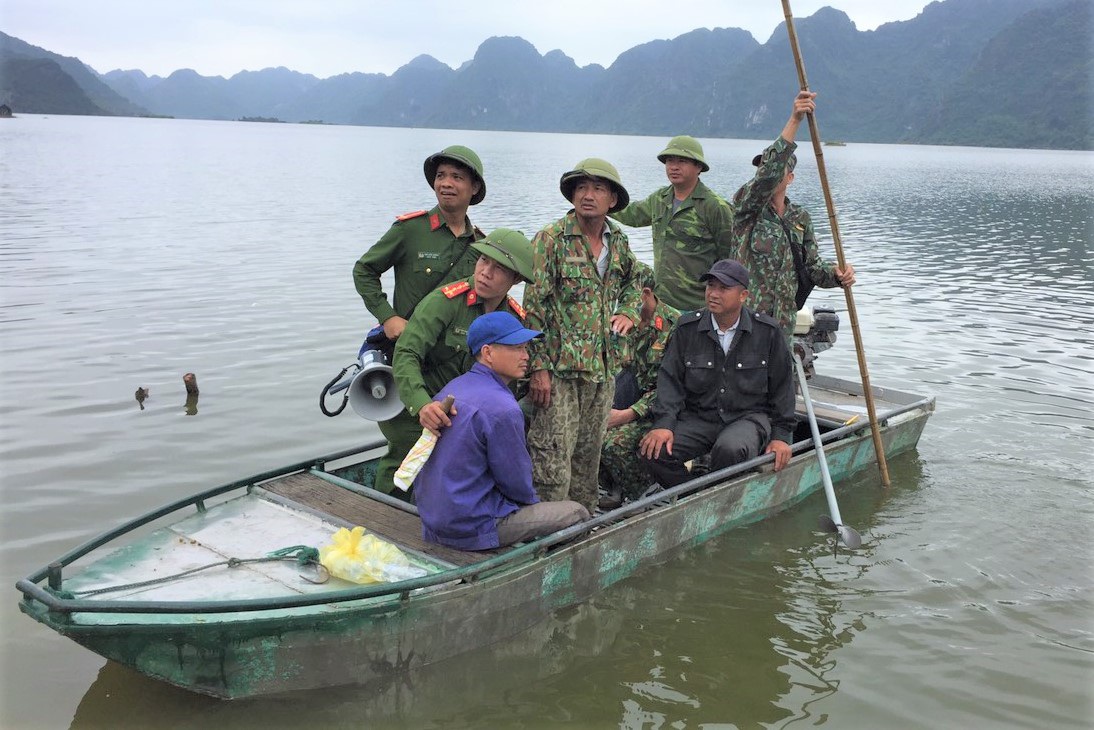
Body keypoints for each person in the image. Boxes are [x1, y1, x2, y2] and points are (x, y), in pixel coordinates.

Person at [523, 158, 644, 514]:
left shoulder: (617, 240)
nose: (588, 195)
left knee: (588, 456)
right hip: (559, 372)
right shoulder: (551, 238)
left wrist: (629, 311)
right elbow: (533, 307)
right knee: (552, 456)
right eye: (581, 187)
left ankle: (581, 522)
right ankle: (547, 528)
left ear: (612, 199)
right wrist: (539, 368)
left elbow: (637, 281)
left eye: (598, 189)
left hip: (602, 371)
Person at [414, 312, 590, 550]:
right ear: (488, 353)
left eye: (526, 348)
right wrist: (533, 506)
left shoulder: (453, 387)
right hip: (470, 527)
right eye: (516, 348)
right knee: (577, 513)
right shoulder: (503, 409)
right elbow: (516, 483)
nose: (526, 356)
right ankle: (542, 570)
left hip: (434, 519)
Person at [378, 228, 534, 495]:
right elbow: (406, 354)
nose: (485, 272)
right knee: (404, 469)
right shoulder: (445, 302)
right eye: (483, 260)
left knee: (455, 478)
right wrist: (422, 405)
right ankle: (375, 515)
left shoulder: (512, 318)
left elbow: (505, 381)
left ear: (516, 278)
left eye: (499, 268)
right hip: (415, 404)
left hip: (463, 415)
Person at [639, 260, 796, 488]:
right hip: (699, 418)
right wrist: (664, 423)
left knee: (730, 450)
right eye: (711, 286)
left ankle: (716, 499)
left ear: (743, 296)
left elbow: (783, 388)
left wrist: (780, 438)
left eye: (723, 288)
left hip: (747, 418)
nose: (713, 294)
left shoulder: (767, 332)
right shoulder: (687, 329)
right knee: (652, 451)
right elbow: (670, 381)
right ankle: (693, 497)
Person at [730, 93, 855, 340]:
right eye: (763, 168)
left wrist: (838, 275)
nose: (769, 173)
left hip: (783, 321)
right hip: (746, 319)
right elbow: (766, 177)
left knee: (779, 376)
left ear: (790, 178)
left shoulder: (800, 217)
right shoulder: (747, 207)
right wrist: (795, 119)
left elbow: (813, 268)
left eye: (779, 169)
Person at [352, 144, 488, 343]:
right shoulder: (409, 230)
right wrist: (388, 317)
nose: (446, 183)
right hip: (411, 349)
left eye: (456, 177)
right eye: (441, 175)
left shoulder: (481, 245)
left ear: (474, 187)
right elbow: (364, 270)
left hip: (456, 356)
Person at [611, 135, 735, 312]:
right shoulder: (660, 199)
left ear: (698, 166)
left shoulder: (715, 207)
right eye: (669, 161)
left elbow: (729, 258)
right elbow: (632, 215)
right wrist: (602, 205)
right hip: (662, 303)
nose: (674, 167)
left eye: (682, 161)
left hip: (698, 307)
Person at [599, 263, 679, 508]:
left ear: (645, 294)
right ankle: (614, 483)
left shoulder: (676, 327)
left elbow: (674, 388)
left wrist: (626, 415)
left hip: (663, 408)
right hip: (626, 397)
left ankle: (645, 493)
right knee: (586, 431)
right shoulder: (619, 323)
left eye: (627, 299)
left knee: (613, 443)